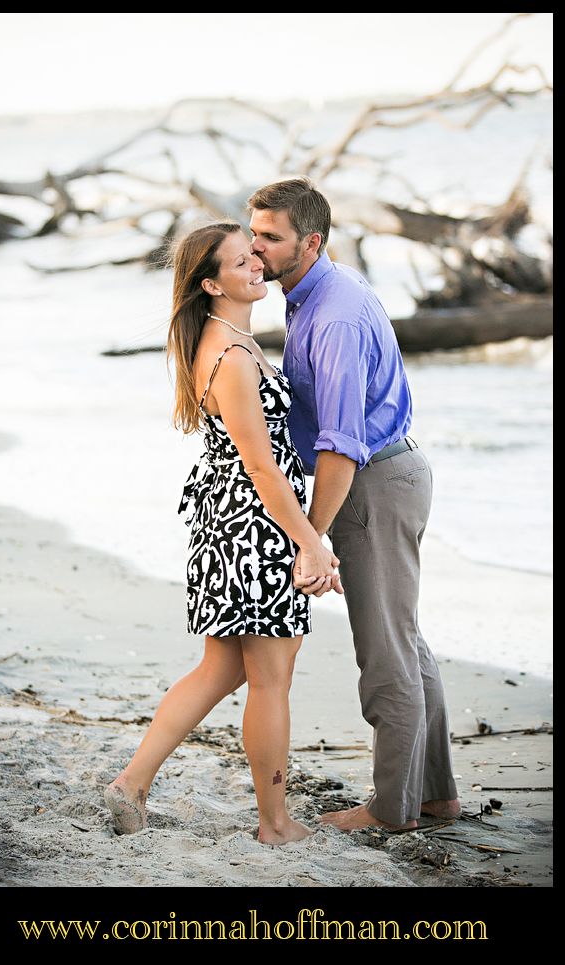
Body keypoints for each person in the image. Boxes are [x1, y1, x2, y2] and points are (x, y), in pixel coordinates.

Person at [103, 221, 340, 845]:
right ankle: (274, 823)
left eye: (255, 253)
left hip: (233, 519)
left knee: (222, 670)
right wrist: (310, 541)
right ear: (211, 283)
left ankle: (131, 783)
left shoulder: (231, 337)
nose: (257, 264)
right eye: (242, 261)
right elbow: (261, 465)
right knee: (271, 678)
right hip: (254, 526)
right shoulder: (230, 356)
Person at [248, 177, 461, 832]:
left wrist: (310, 538)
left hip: (373, 485)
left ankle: (392, 810)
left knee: (385, 655)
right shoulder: (309, 294)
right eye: (251, 232)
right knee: (405, 641)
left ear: (311, 242)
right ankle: (435, 794)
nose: (255, 248)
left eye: (270, 237)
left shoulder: (334, 316)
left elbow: (340, 448)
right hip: (386, 476)